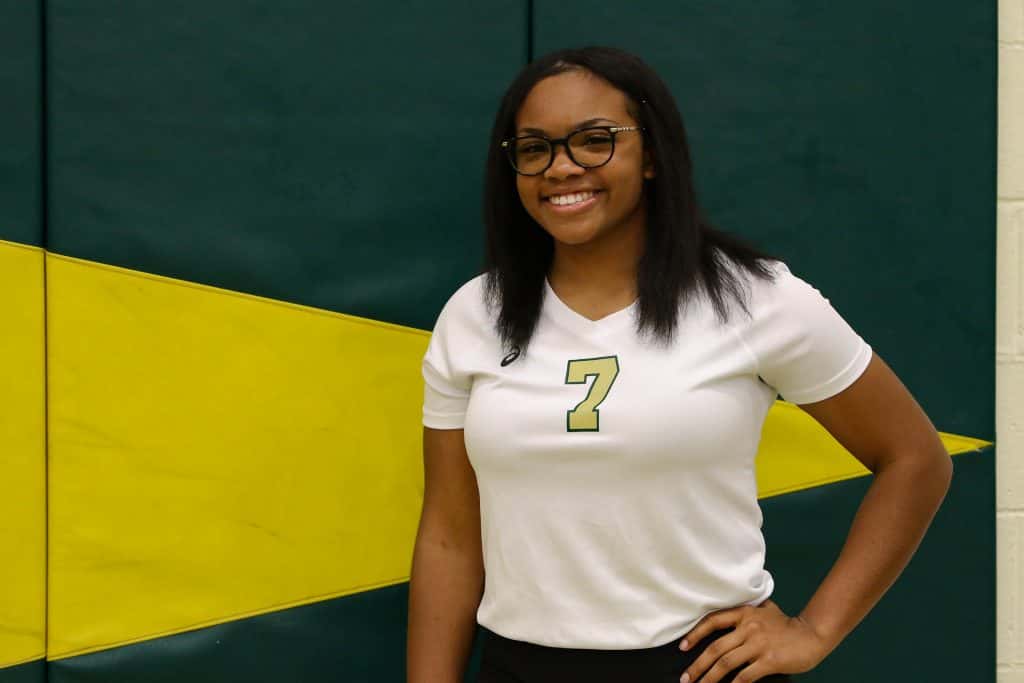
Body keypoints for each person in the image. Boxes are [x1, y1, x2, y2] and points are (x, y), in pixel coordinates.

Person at [406, 46, 952, 683]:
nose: (562, 167)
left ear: (652, 155)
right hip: (519, 665)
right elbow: (449, 535)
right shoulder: (475, 313)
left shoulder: (756, 298)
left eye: (595, 140)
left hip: (698, 666)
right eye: (534, 149)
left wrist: (814, 630)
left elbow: (916, 459)